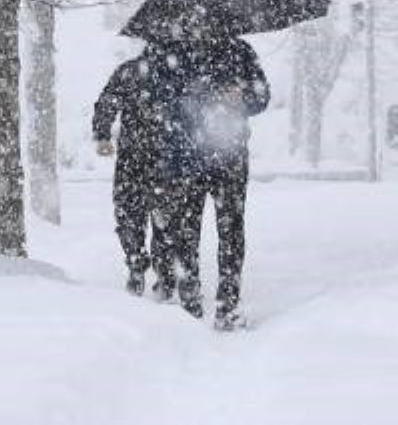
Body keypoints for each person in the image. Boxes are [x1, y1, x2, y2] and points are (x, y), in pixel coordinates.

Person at [151, 36, 269, 331]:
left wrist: (242, 98)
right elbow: (160, 99)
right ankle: (189, 301)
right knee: (186, 231)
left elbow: (262, 96)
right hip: (187, 157)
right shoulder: (173, 53)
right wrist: (197, 97)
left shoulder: (241, 51)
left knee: (230, 230)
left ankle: (228, 304)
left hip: (230, 158)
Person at [92, 45, 174, 300]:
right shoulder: (176, 71)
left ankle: (138, 264)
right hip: (164, 159)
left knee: (131, 215)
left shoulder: (130, 71)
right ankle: (160, 273)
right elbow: (107, 102)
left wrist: (104, 134)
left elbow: (106, 102)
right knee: (164, 219)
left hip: (135, 157)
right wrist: (103, 134)